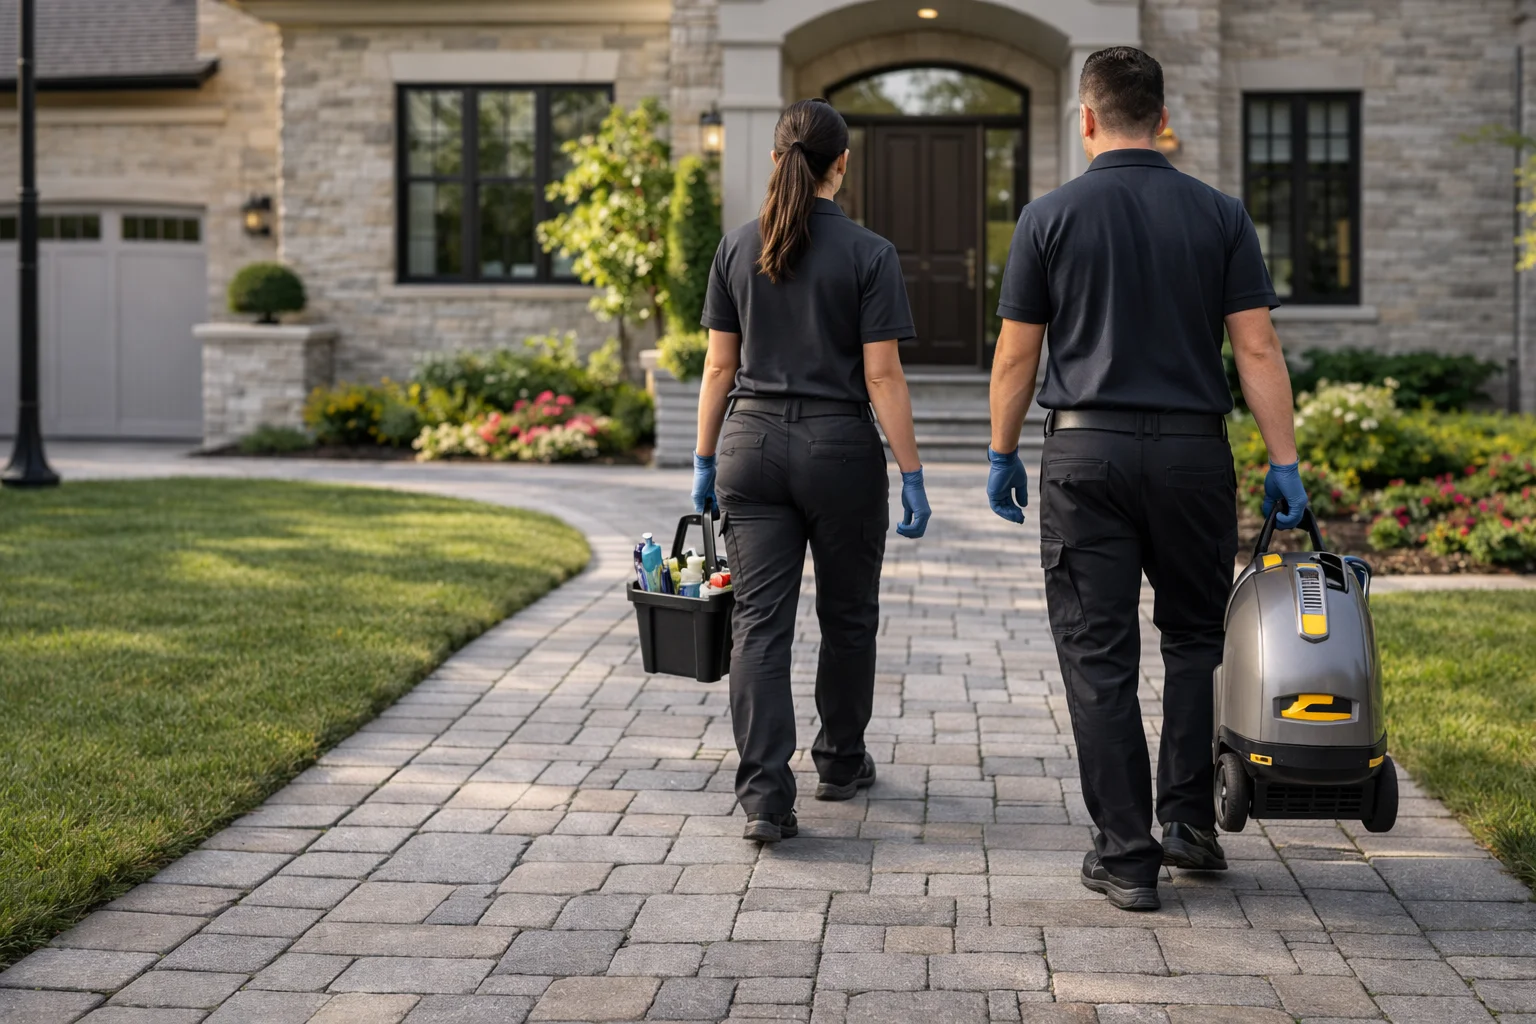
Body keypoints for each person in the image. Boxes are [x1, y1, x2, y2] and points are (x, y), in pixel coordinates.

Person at [985, 47, 1308, 910]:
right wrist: (1284, 460)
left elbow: (1016, 355)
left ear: (1086, 119)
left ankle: (1127, 857)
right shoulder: (1221, 215)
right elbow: (1256, 349)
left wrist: (1001, 451)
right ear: (1162, 119)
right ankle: (1190, 825)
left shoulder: (1047, 217)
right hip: (1192, 456)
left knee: (1099, 654)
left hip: (1085, 455)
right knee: (1195, 640)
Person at [691, 98, 931, 843]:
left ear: (775, 160)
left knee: (760, 624)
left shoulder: (737, 246)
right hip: (840, 451)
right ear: (842, 165)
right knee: (848, 615)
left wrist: (704, 459)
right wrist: (913, 472)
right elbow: (883, 377)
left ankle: (766, 798)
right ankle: (839, 760)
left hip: (751, 449)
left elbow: (718, 368)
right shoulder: (870, 253)